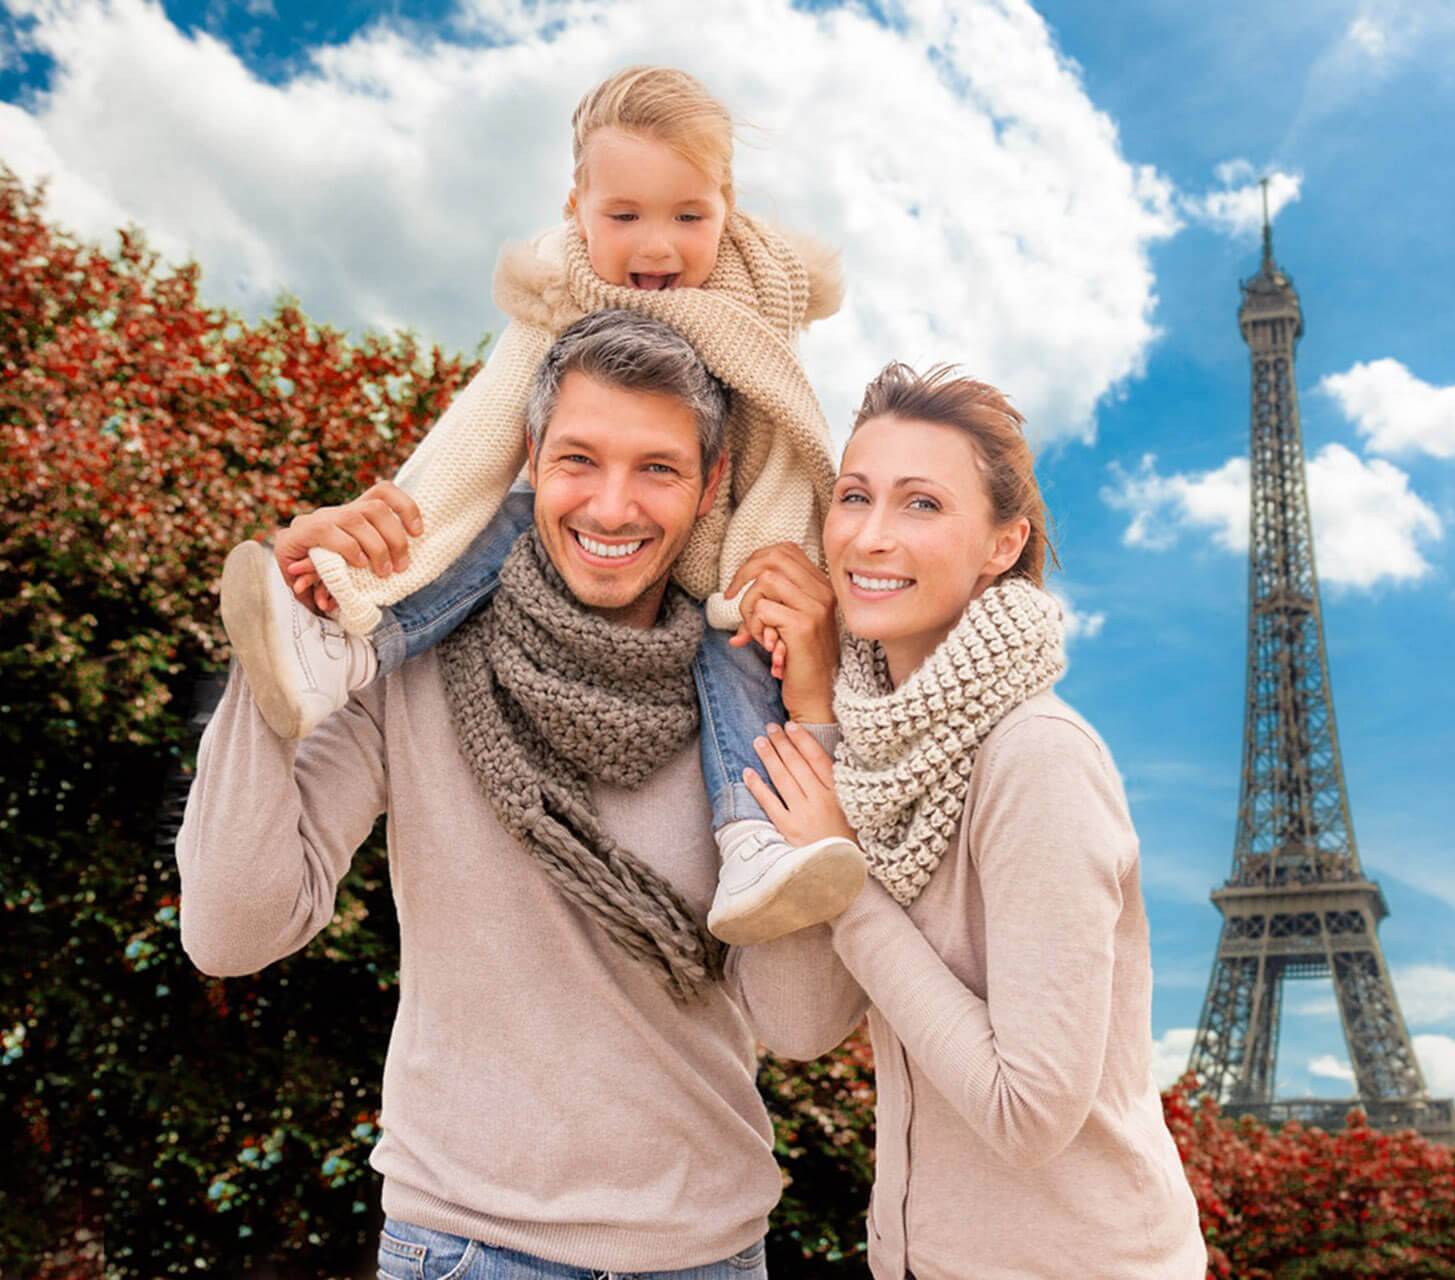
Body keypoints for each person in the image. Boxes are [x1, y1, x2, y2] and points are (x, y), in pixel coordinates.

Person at [177, 313, 867, 1280]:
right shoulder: (406, 661)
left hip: (708, 1253)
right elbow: (232, 929)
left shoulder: (745, 699)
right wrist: (279, 641)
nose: (614, 506)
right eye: (580, 458)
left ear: (711, 487)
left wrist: (815, 711)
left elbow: (799, 1024)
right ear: (532, 457)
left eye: (659, 469)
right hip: (467, 1246)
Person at [216, 65, 863, 946]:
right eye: (624, 216)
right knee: (498, 517)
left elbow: (789, 449)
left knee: (737, 647)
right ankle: (344, 646)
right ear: (576, 209)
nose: (659, 250)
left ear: (729, 206)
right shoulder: (558, 293)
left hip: (739, 550)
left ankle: (752, 836)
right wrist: (336, 579)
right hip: (475, 580)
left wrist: (783, 619)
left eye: (689, 216)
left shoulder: (759, 299)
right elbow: (471, 448)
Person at [735, 364, 1209, 1279]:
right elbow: (794, 1025)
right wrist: (817, 725)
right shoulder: (869, 746)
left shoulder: (1036, 758)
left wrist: (843, 873)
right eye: (855, 496)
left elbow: (1027, 1113)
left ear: (1002, 544)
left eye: (922, 505)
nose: (872, 537)